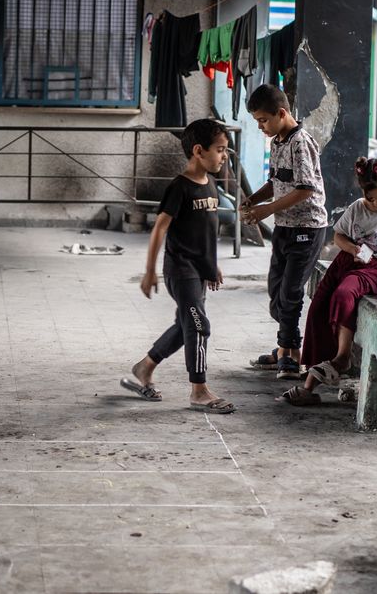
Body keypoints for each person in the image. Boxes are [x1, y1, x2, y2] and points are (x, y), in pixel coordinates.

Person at [279, 156, 377, 405]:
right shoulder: (357, 207)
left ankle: (343, 357)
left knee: (344, 294)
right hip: (345, 262)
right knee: (318, 308)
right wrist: (353, 250)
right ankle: (313, 371)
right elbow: (339, 237)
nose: (376, 203)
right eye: (371, 198)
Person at [120, 118, 236, 414]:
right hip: (180, 271)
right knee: (199, 325)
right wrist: (149, 271)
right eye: (220, 150)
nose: (224, 156)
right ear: (199, 150)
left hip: (199, 272)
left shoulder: (210, 184)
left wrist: (213, 266)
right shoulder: (179, 188)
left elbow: (206, 232)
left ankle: (144, 367)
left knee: (185, 324)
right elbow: (160, 228)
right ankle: (199, 390)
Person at [239, 84, 330, 381]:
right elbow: (276, 182)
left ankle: (290, 355)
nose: (260, 127)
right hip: (284, 227)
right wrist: (254, 199)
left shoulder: (300, 143)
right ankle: (285, 349)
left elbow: (305, 189)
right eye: (257, 122)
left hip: (307, 228)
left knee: (291, 294)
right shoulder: (277, 141)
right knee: (276, 294)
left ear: (281, 113)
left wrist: (266, 210)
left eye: (263, 120)